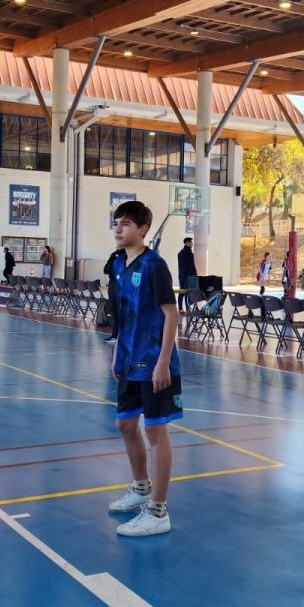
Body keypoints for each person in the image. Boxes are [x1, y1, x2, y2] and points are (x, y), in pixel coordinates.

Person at [106, 200, 179, 536]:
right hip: (128, 358)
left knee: (155, 431)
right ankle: (140, 489)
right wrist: (117, 351)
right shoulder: (119, 265)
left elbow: (171, 314)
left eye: (125, 224)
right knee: (124, 425)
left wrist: (163, 361)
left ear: (143, 229)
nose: (119, 229)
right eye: (116, 223)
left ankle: (158, 511)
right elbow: (122, 314)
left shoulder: (155, 265)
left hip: (153, 362)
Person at [102, 247, 125, 344]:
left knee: (122, 310)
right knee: (114, 309)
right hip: (113, 283)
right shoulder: (114, 255)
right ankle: (115, 334)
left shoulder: (128, 255)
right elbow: (106, 270)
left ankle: (124, 335)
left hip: (122, 284)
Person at [177, 237, 197, 313]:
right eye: (190, 242)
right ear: (186, 243)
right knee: (188, 292)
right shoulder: (189, 253)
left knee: (182, 292)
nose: (192, 243)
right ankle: (188, 309)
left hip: (181, 276)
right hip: (189, 276)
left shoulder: (180, 253)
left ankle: (180, 308)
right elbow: (192, 266)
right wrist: (195, 275)